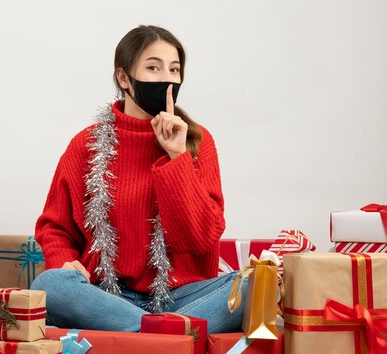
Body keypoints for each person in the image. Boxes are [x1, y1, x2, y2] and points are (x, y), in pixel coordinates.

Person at [31, 25, 244, 333]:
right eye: (153, 68)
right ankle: (168, 337)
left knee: (254, 284)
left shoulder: (197, 141)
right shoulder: (86, 144)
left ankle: (148, 337)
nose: (166, 79)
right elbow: (55, 226)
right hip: (105, 297)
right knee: (50, 284)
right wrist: (64, 261)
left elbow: (200, 237)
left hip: (182, 297)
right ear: (123, 78)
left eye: (174, 69)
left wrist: (177, 157)